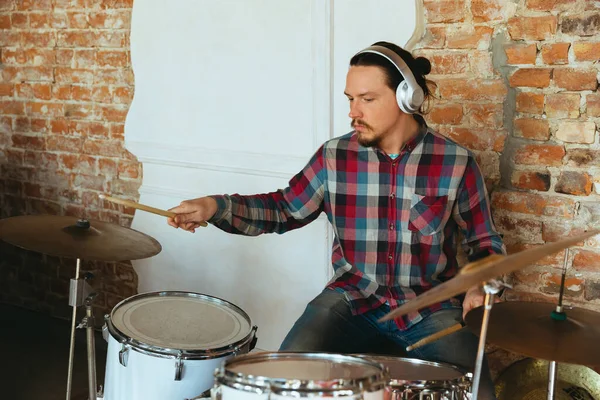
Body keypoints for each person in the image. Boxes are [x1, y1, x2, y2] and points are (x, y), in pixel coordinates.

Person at [167, 41, 505, 399]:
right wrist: (215, 206)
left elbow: (485, 242)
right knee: (284, 382)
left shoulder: (456, 162)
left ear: (407, 98)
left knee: (479, 393)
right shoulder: (334, 156)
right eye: (350, 99)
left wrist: (481, 283)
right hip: (351, 300)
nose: (353, 112)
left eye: (367, 99)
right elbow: (285, 208)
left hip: (430, 308)